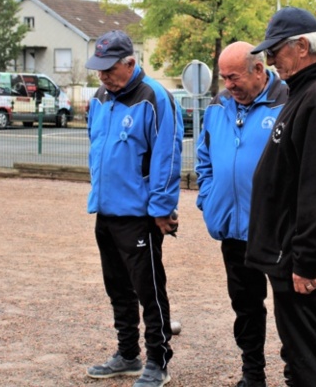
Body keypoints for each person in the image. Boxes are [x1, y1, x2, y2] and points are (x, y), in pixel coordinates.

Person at [245, 7, 316, 386]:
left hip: (299, 258)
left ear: (301, 46)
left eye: (274, 51)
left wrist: (305, 262)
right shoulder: (307, 91)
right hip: (289, 252)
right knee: (298, 353)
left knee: (309, 358)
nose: (270, 60)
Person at [84, 29, 183, 387]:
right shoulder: (99, 97)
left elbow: (167, 158)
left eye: (110, 69)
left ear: (131, 62)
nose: (103, 76)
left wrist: (161, 209)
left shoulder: (155, 98)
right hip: (106, 211)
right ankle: (127, 354)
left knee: (149, 290)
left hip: (139, 217)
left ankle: (158, 360)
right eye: (99, 69)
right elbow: (95, 147)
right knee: (117, 288)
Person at [195, 41, 288, 387]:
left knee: (290, 311)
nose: (228, 85)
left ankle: (298, 374)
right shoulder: (218, 106)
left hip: (276, 232)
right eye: (223, 78)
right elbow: (204, 159)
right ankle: (253, 375)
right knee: (246, 308)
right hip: (233, 231)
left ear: (259, 71)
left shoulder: (287, 103)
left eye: (234, 77)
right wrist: (209, 198)